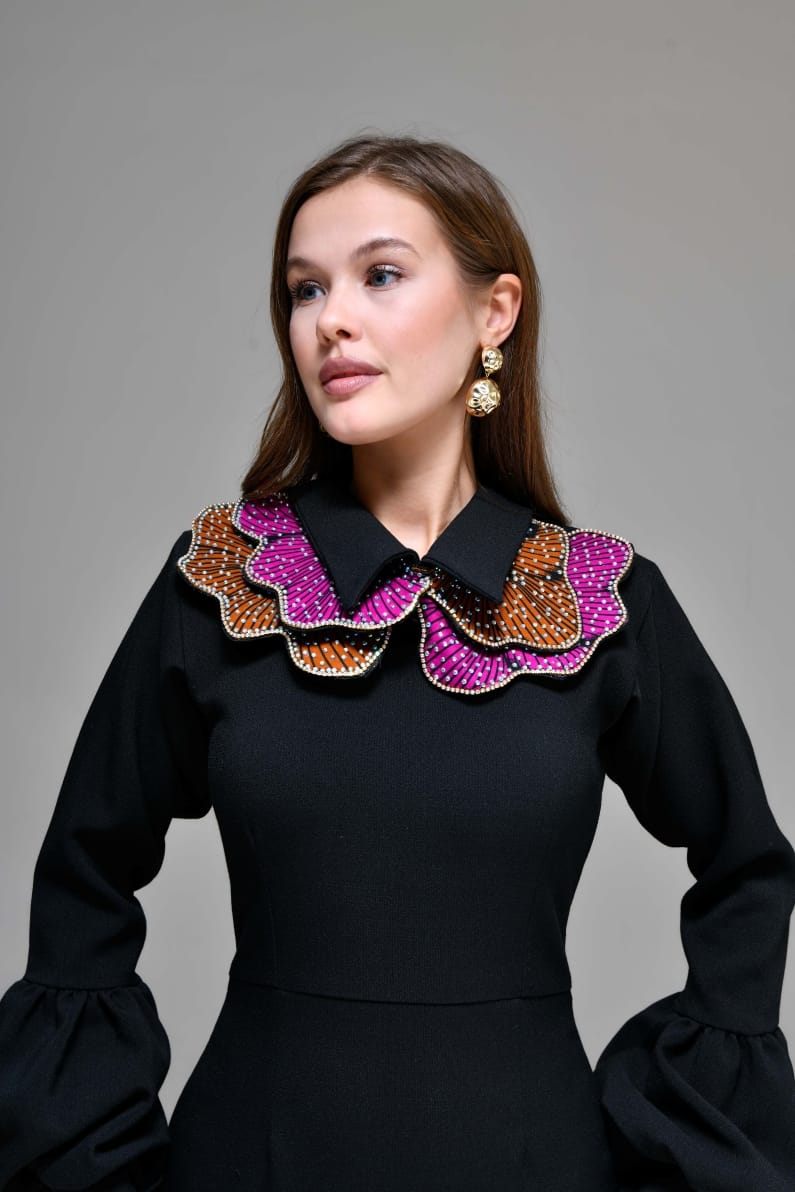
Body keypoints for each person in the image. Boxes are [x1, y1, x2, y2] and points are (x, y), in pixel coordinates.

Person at [0, 132, 793, 1192]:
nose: (330, 319)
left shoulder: (599, 599)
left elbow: (748, 866)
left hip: (532, 1162)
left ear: (494, 312)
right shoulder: (226, 578)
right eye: (304, 288)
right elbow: (83, 872)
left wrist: (683, 1125)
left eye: (379, 275)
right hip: (253, 1158)